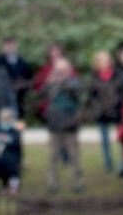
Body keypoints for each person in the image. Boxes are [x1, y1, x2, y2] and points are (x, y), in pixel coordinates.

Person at [44, 58, 85, 193]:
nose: (61, 72)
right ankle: (52, 184)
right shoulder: (51, 83)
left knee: (74, 156)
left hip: (70, 124)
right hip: (55, 124)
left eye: (64, 69)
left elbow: (77, 91)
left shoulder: (74, 82)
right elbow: (42, 94)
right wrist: (51, 81)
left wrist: (63, 81)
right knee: (52, 156)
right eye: (58, 69)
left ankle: (78, 184)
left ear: (68, 70)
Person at [88, 50, 123, 173]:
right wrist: (97, 106)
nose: (104, 63)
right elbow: (92, 95)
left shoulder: (118, 74)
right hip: (102, 111)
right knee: (105, 140)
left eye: (106, 60)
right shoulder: (94, 76)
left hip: (117, 110)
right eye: (101, 60)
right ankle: (108, 163)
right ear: (97, 63)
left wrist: (118, 102)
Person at [0, 37, 34, 118]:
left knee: (18, 120)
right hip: (3, 98)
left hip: (19, 97)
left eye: (12, 45)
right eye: (7, 45)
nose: (10, 48)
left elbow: (30, 78)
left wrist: (22, 84)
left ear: (16, 46)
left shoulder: (23, 61)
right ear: (3, 47)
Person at [0, 107, 23, 194]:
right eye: (2, 118)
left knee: (13, 172)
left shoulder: (14, 130)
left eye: (7, 118)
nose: (4, 120)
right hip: (1, 156)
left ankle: (14, 187)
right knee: (3, 172)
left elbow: (16, 143)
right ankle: (4, 186)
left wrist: (7, 140)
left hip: (12, 156)